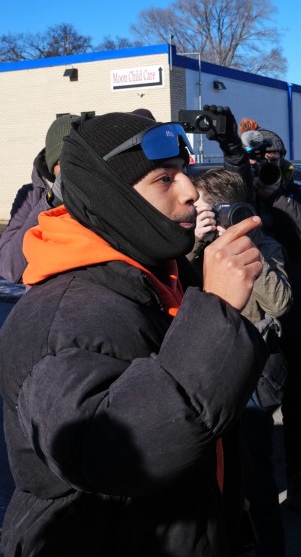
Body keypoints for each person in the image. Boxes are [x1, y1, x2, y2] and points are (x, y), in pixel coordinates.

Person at [0, 112, 268, 556]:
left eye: (185, 172)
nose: (190, 192)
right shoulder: (67, 314)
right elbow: (118, 456)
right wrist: (217, 311)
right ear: (113, 199)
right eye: (164, 180)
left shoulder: (154, 273)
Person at [211, 111, 301, 524]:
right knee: (246, 409)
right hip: (249, 321)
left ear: (282, 158)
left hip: (296, 317)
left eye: (270, 154)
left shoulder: (296, 194)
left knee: (298, 403)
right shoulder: (237, 194)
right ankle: (243, 489)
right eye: (255, 156)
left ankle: (298, 481)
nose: (263, 160)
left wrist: (275, 192)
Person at [189, 167, 292, 557]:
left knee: (255, 473)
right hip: (203, 370)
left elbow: (280, 303)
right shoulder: (191, 245)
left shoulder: (265, 245)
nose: (192, 210)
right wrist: (196, 245)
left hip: (249, 374)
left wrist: (243, 245)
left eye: (200, 206)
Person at [0, 114, 76, 282]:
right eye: (62, 162)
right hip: (40, 300)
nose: (70, 169)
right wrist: (51, 201)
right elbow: (9, 268)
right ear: (51, 164)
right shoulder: (31, 196)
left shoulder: (100, 193)